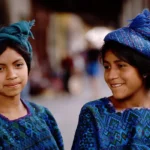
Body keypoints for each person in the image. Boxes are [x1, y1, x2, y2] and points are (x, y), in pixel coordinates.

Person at [72, 9, 150, 149]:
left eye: (121, 66)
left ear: (145, 69)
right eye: (107, 66)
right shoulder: (94, 114)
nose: (111, 76)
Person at [0, 20, 64, 149]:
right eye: (0, 68)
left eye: (18, 65)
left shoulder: (42, 114)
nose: (12, 75)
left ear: (28, 67)